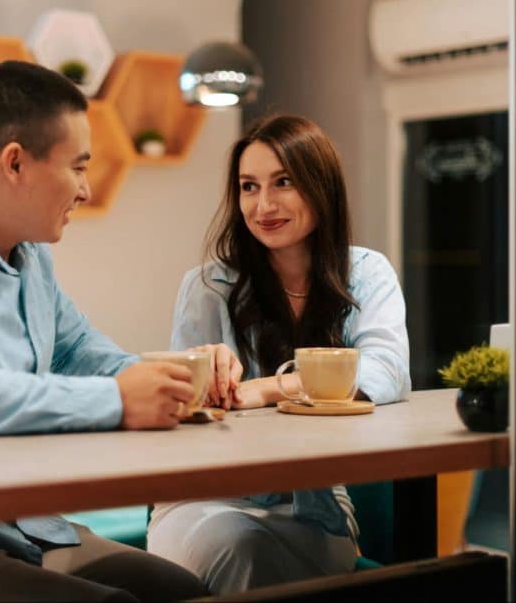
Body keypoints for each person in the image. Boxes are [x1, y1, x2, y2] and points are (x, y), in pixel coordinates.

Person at [0, 60, 237, 602]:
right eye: (78, 167)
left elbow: (79, 349)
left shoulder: (30, 257)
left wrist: (177, 381)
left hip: (28, 526)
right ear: (15, 163)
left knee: (185, 592)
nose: (84, 188)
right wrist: (115, 401)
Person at [146, 114, 411, 594]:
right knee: (240, 546)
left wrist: (268, 387)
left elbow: (386, 372)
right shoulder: (209, 286)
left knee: (254, 555)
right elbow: (188, 409)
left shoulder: (368, 273)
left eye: (283, 182)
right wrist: (204, 383)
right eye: (249, 187)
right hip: (204, 499)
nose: (263, 205)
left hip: (314, 506)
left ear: (320, 186)